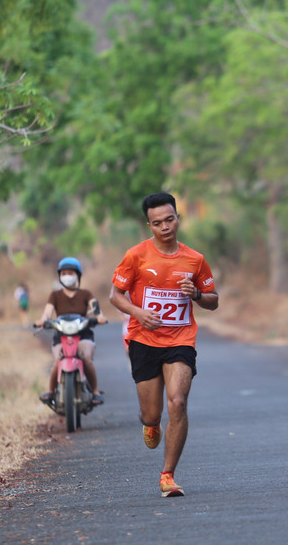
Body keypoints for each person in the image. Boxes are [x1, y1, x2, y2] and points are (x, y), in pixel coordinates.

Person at [109, 192, 218, 498]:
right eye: (158, 223)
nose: (165, 227)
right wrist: (138, 312)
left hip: (181, 340)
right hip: (144, 339)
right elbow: (115, 295)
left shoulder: (194, 260)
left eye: (170, 219)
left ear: (177, 218)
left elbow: (214, 300)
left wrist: (196, 295)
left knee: (179, 402)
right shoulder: (136, 256)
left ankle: (168, 475)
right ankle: (151, 423)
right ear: (150, 225)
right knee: (151, 413)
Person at [36, 257, 108, 406]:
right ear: (60, 276)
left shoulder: (86, 294)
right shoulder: (55, 295)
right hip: (61, 336)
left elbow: (96, 309)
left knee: (86, 358)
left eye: (70, 273)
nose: (67, 276)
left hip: (83, 335)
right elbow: (47, 313)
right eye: (64, 273)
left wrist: (100, 317)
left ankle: (95, 391)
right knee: (58, 360)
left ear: (78, 275)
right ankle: (50, 391)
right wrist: (43, 320)